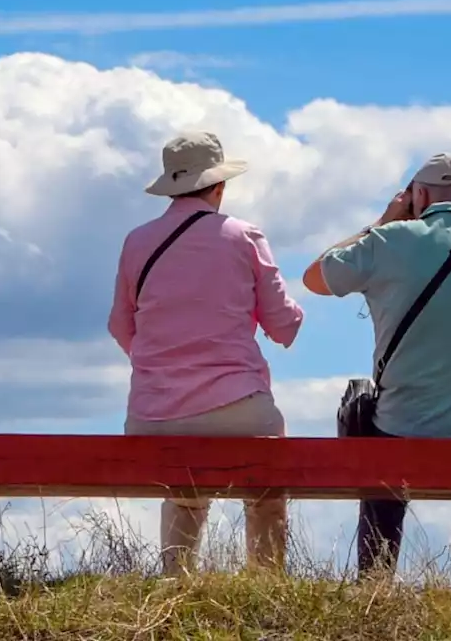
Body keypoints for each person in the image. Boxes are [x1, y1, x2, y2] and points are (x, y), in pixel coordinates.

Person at [300, 152, 451, 586]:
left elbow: (315, 277)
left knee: (374, 433)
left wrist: (384, 221)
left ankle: (375, 584)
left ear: (419, 196)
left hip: (404, 428)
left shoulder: (388, 241)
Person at [107, 131, 305, 577]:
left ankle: (176, 583)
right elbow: (284, 326)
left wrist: (162, 365)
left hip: (151, 415)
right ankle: (267, 583)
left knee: (183, 489)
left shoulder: (137, 241)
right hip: (237, 407)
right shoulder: (243, 236)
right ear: (219, 186)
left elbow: (121, 326)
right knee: (267, 491)